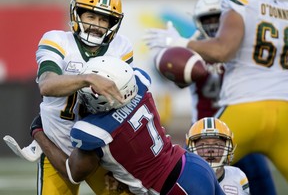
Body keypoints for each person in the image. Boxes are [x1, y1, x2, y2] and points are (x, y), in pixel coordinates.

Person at [144, 0, 288, 190]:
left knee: (188, 176)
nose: (214, 24)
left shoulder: (240, 0)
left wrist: (180, 43)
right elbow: (173, 81)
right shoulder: (283, 8)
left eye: (218, 18)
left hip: (240, 115)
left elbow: (222, 50)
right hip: (280, 109)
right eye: (207, 19)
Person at [33, 56, 225, 195]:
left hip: (173, 188)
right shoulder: (140, 84)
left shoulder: (94, 132)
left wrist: (39, 132)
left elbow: (72, 173)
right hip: (192, 164)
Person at [29, 0, 134, 195]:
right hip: (57, 144)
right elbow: (47, 84)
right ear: (77, 15)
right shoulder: (57, 40)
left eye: (104, 19)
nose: (97, 24)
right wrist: (87, 78)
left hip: (100, 150)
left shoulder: (121, 49)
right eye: (91, 16)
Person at [186, 117, 250, 194]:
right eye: (203, 145)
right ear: (191, 149)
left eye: (217, 144)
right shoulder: (184, 179)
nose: (210, 150)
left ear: (228, 148)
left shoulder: (238, 176)